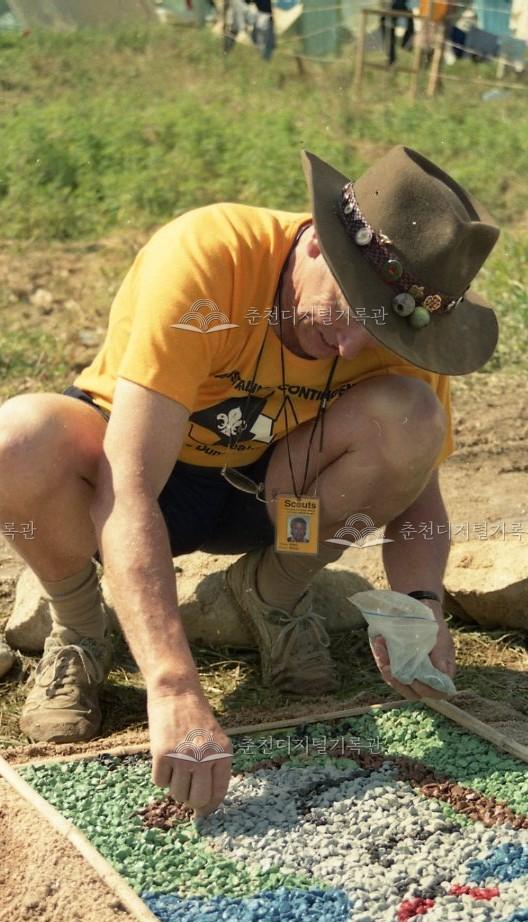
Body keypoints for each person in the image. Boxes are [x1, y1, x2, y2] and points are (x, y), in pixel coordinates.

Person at [0, 145, 500, 817]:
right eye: (347, 311)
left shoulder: (405, 324)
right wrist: (174, 687)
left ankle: (273, 592)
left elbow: (418, 498)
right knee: (17, 439)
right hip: (139, 478)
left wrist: (422, 604)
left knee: (413, 418)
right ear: (319, 242)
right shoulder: (209, 257)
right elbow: (129, 489)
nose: (352, 347)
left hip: (273, 497)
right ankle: (79, 626)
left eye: (380, 333)